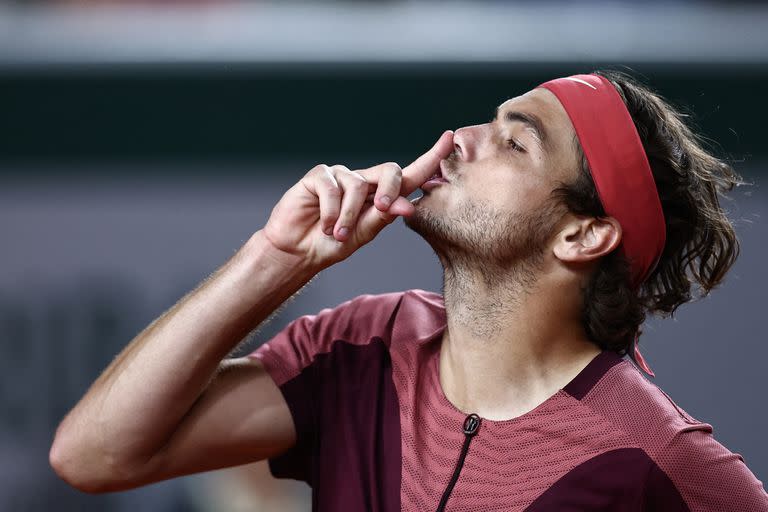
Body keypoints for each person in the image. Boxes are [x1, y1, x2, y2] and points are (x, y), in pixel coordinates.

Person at [50, 70, 768, 511]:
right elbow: (94, 456)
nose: (460, 138)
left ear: (582, 235)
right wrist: (276, 258)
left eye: (515, 143)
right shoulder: (360, 344)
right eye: (488, 120)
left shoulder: (658, 458)